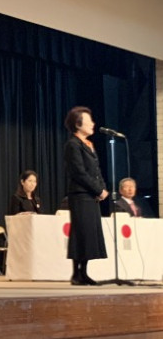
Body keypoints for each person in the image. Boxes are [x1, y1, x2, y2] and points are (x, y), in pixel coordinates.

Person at [64, 106, 108, 286]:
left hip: (91, 195)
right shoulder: (73, 145)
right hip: (80, 195)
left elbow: (96, 171)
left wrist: (102, 189)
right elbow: (79, 173)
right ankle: (76, 273)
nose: (93, 124)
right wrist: (98, 190)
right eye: (89, 121)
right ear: (78, 124)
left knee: (89, 234)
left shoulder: (89, 144)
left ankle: (84, 272)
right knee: (81, 233)